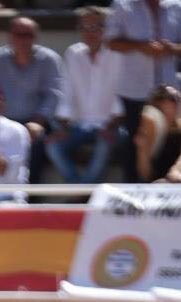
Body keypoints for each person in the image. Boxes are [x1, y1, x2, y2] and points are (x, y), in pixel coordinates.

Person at [103, 0, 181, 180]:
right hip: (135, 90)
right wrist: (140, 46)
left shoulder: (177, 7)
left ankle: (169, 189)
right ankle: (133, 194)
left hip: (168, 91)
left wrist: (171, 48)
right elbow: (111, 41)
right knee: (137, 144)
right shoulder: (122, 5)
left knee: (170, 143)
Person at [0, 16, 64, 185]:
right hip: (1, 120)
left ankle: (30, 198)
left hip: (35, 120)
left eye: (29, 35)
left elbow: (53, 95)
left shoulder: (49, 59)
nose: (24, 40)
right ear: (10, 36)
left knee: (38, 143)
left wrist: (38, 121)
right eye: (19, 34)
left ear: (35, 37)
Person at [47, 6, 122, 187]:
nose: (89, 33)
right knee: (52, 145)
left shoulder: (117, 54)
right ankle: (80, 189)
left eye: (94, 28)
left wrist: (111, 125)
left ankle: (80, 193)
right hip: (80, 125)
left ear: (105, 29)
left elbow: (120, 95)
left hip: (111, 124)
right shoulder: (73, 53)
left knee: (105, 144)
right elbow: (68, 91)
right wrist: (63, 126)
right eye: (84, 28)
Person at [134, 83, 181, 181]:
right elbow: (145, 174)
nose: (177, 103)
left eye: (179, 99)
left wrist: (176, 171)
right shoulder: (148, 132)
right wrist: (142, 149)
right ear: (158, 102)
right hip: (157, 187)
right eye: (172, 99)